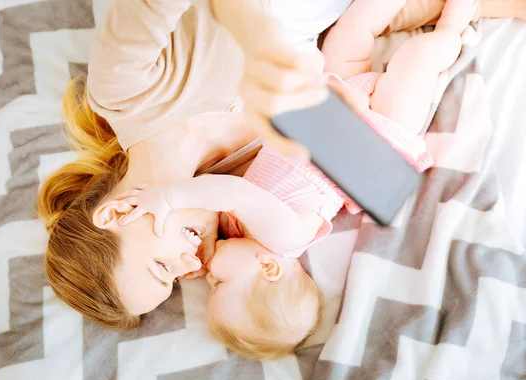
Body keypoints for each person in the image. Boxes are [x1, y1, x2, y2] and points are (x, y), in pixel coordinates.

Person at [37, 0, 493, 331]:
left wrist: (250, 30)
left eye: (162, 266)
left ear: (117, 212)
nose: (189, 265)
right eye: (177, 279)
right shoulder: (246, 172)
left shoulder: (124, 91)